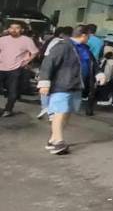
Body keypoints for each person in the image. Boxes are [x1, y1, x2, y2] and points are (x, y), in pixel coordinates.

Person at [37, 25, 104, 155]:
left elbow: (93, 63)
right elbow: (48, 63)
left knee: (66, 113)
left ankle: (53, 139)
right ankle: (58, 142)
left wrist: (99, 73)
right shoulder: (63, 46)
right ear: (84, 35)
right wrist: (44, 82)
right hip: (61, 85)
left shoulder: (85, 49)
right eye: (88, 36)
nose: (89, 39)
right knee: (59, 112)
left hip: (76, 85)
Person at [0, 21, 39, 117]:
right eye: (11, 28)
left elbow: (35, 52)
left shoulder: (26, 40)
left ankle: (8, 109)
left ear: (21, 30)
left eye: (17, 28)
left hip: (15, 69)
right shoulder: (3, 39)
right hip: (1, 68)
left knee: (12, 91)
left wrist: (26, 61)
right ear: (8, 29)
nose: (14, 30)